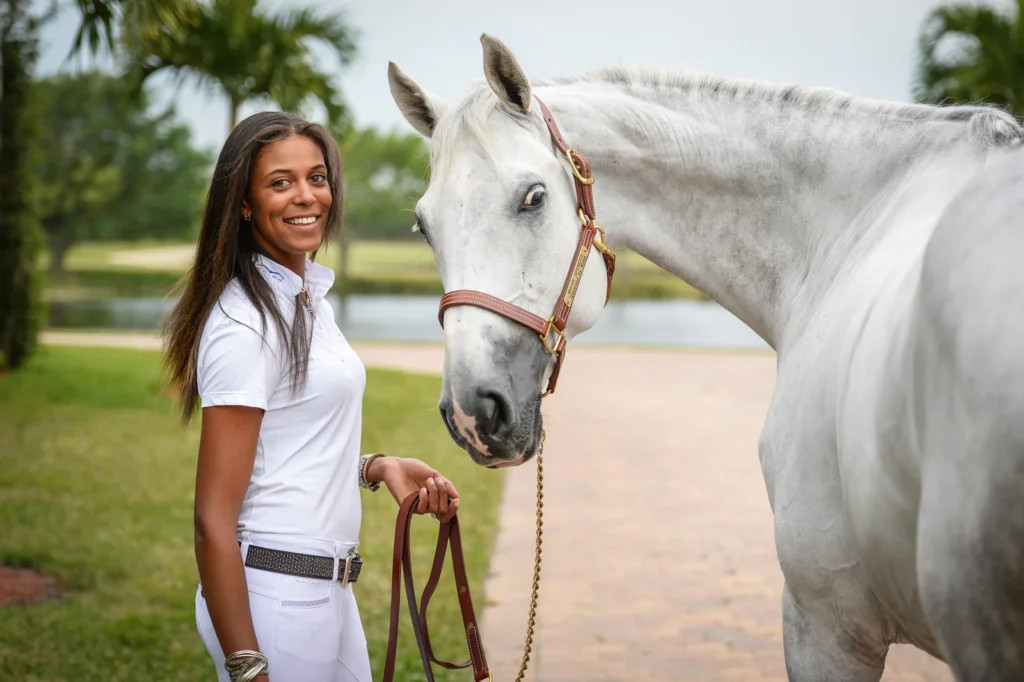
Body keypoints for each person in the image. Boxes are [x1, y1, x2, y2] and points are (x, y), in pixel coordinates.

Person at [162, 110, 460, 682]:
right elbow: (211, 520)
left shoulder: (307, 302)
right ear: (244, 203)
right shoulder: (244, 324)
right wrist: (248, 665)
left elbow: (288, 444)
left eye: (317, 178)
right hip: (277, 602)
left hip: (328, 592)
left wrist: (376, 466)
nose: (307, 196)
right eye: (281, 182)